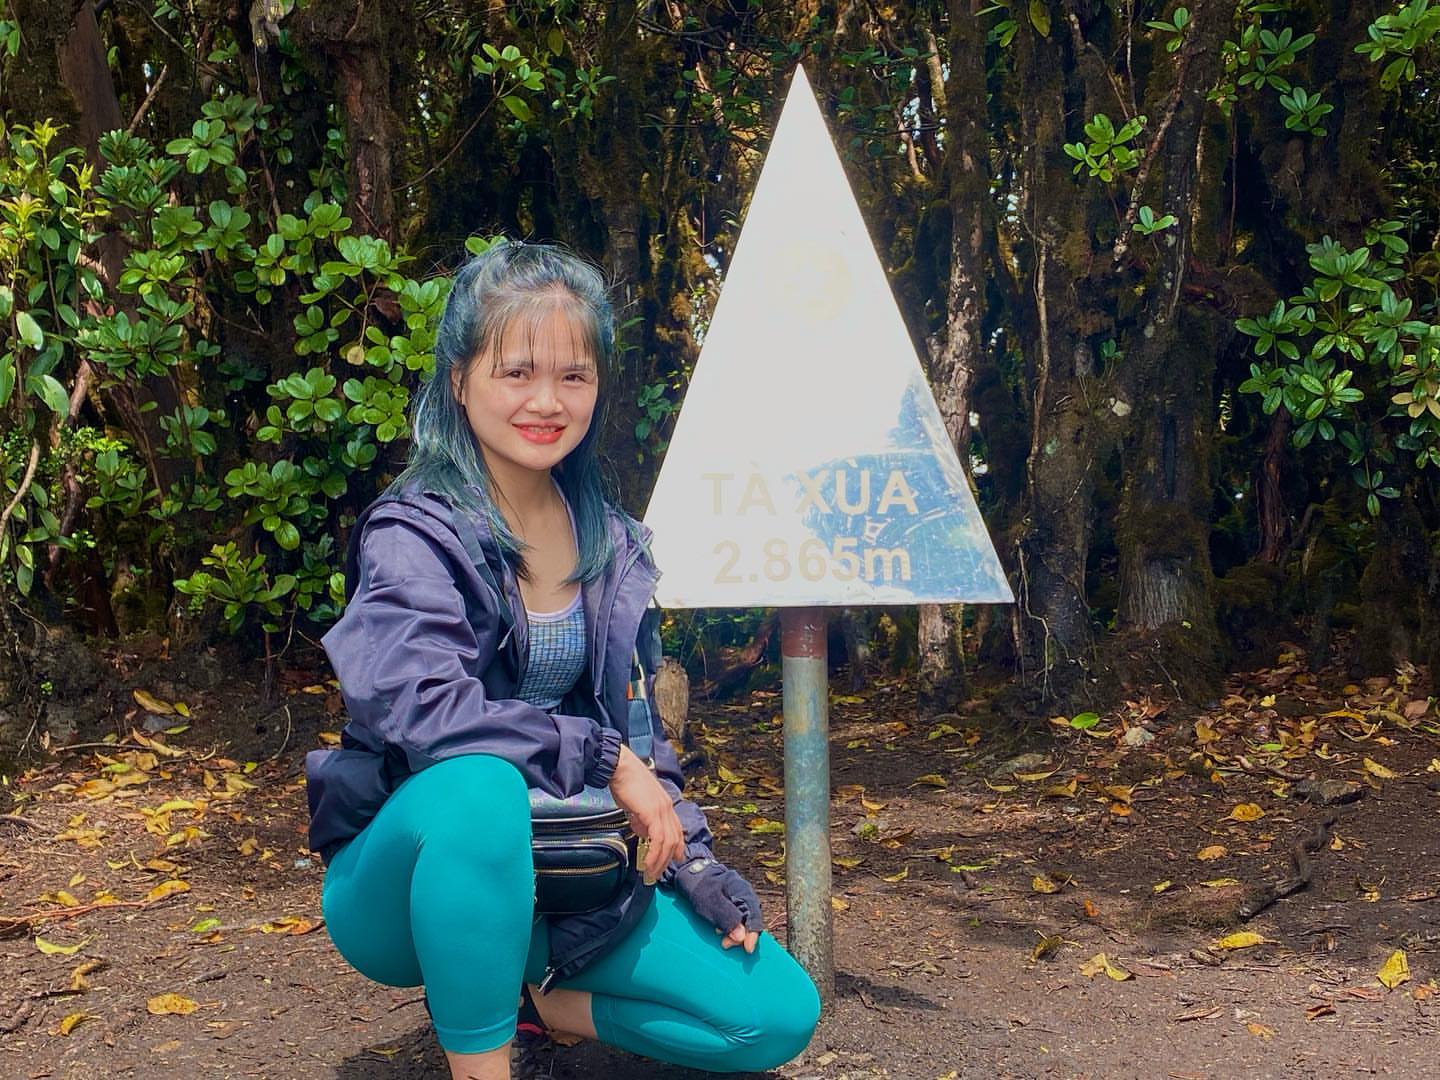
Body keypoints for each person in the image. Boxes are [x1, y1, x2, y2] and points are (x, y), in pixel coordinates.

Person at [306, 241, 821, 1080]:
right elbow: (426, 714)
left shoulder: (612, 541)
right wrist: (601, 758)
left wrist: (694, 862)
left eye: (573, 376)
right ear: (459, 379)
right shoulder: (413, 534)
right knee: (479, 787)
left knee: (774, 1017)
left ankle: (536, 1004)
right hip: (406, 885)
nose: (546, 401)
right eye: (516, 372)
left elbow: (641, 735)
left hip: (572, 875)